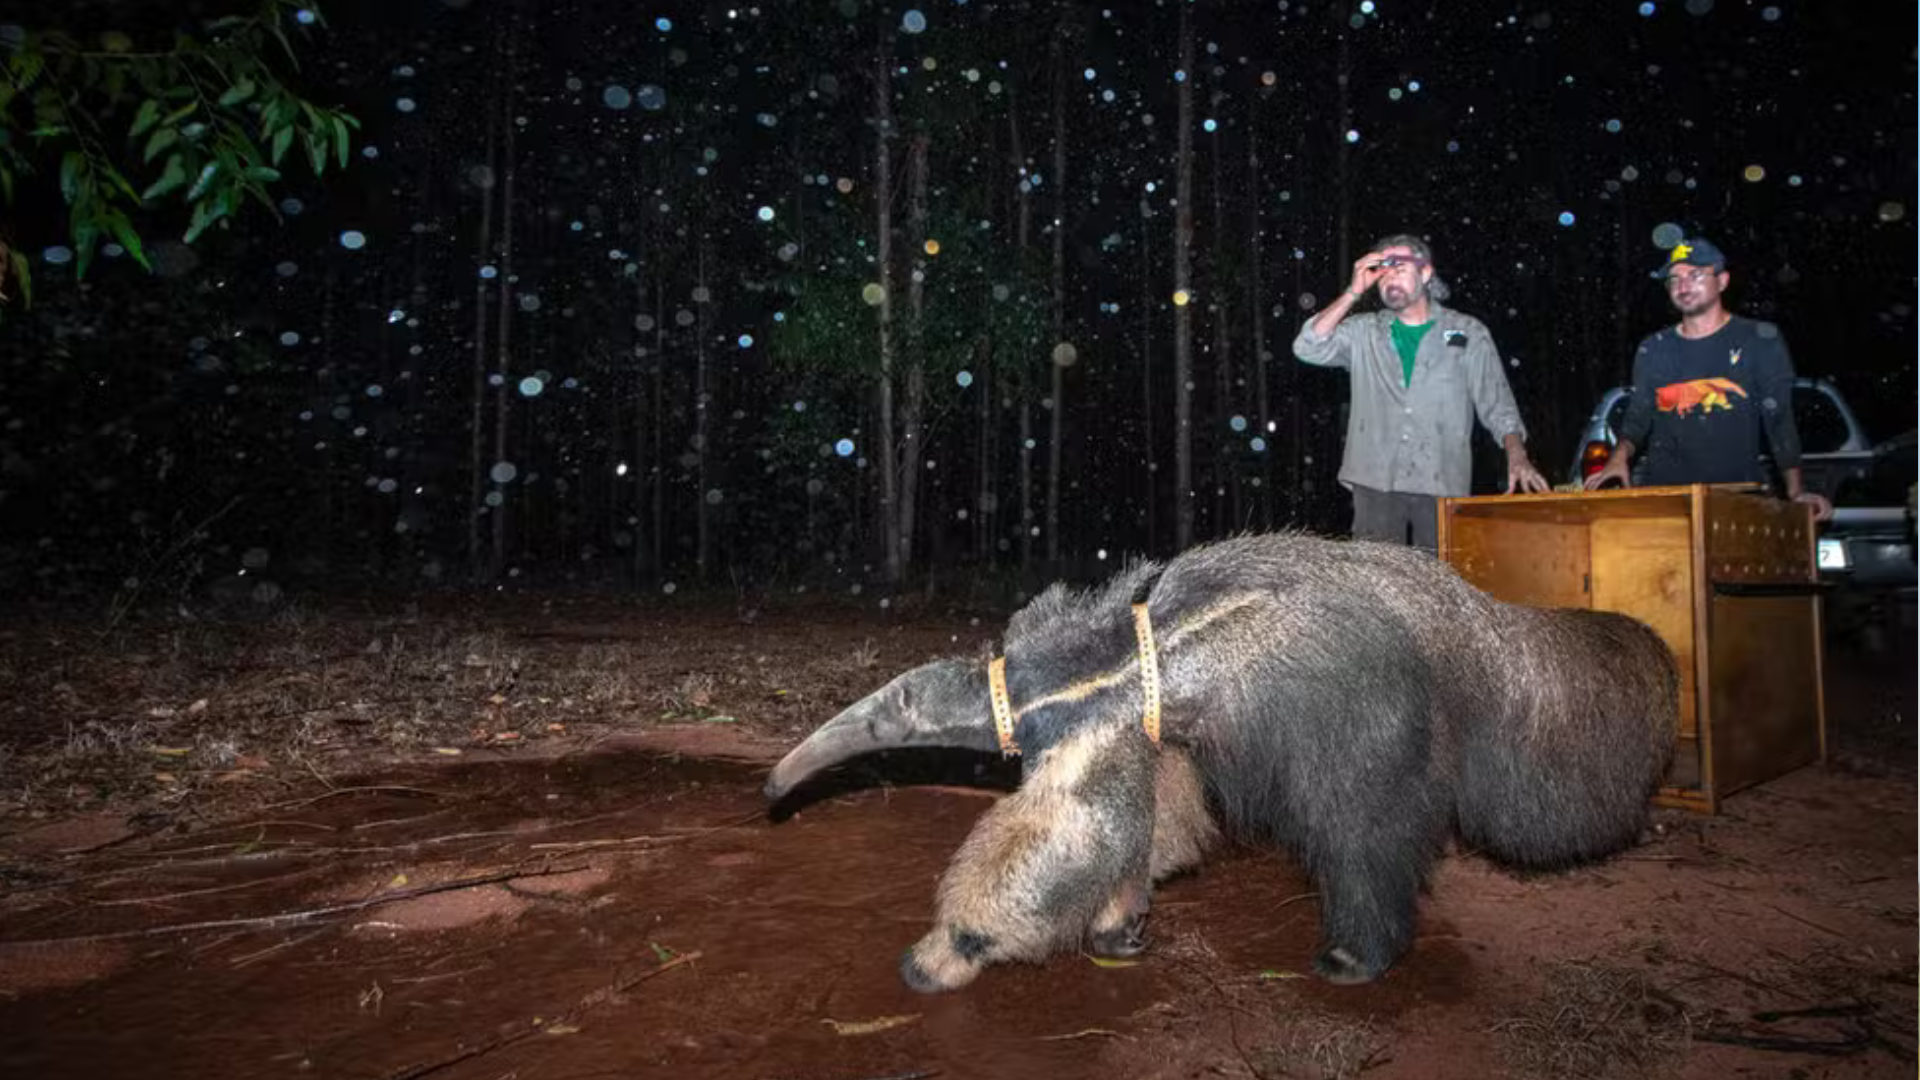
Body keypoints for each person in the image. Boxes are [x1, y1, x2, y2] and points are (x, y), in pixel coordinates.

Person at [1292, 233, 1549, 551]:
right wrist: (1353, 291)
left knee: (1439, 586)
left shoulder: (1465, 333)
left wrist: (1517, 455)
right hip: (1375, 480)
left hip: (1440, 479)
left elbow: (1497, 403)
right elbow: (1307, 347)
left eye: (1399, 267)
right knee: (1379, 586)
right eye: (1381, 271)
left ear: (1425, 273)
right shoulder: (1364, 332)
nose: (1389, 278)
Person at [1583, 237, 1833, 521]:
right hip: (1667, 499)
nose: (1683, 285)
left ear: (1722, 281)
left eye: (1695, 275)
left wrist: (1796, 491)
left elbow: (1779, 420)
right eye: (1674, 279)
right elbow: (1638, 417)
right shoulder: (1653, 347)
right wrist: (1618, 458)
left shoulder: (1760, 340)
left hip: (1737, 496)